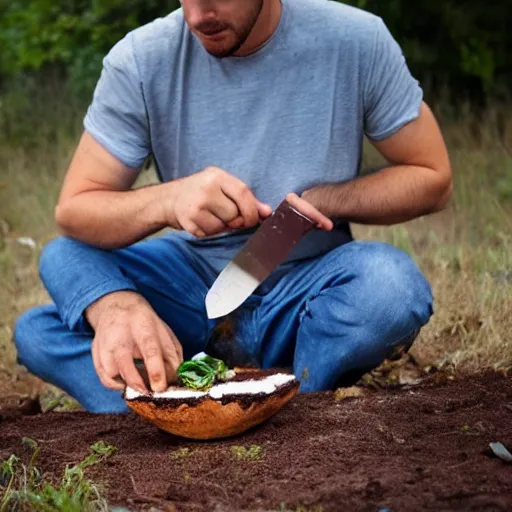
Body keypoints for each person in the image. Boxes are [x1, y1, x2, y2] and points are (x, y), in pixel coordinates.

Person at [14, 0, 452, 414]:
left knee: (389, 285)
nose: (200, 14)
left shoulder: (355, 40)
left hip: (309, 291)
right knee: (41, 322)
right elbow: (74, 210)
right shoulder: (141, 58)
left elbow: (432, 177)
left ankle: (299, 404)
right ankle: (175, 406)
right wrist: (166, 205)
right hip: (192, 292)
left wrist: (322, 200)